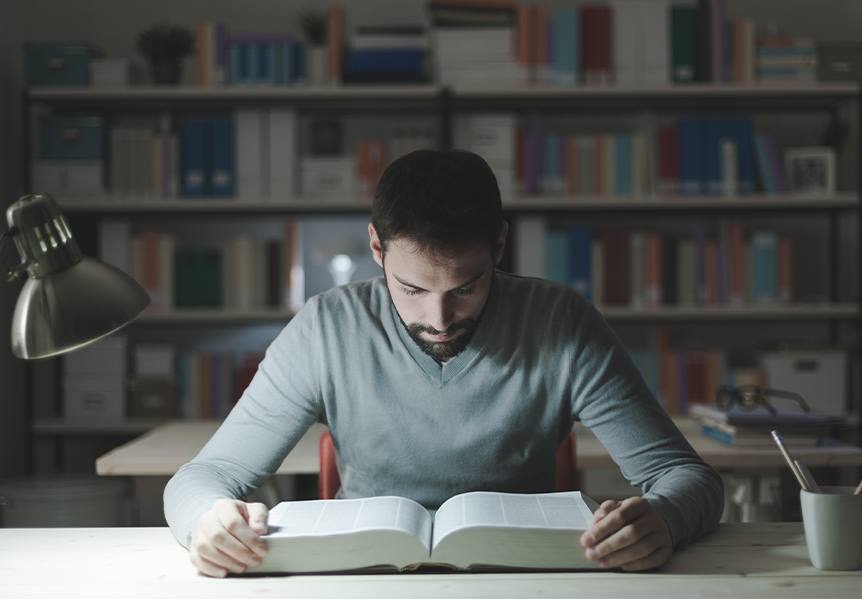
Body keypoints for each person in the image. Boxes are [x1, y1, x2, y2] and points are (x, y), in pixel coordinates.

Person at [164, 149, 724, 578]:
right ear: (377, 250)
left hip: (521, 577)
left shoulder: (560, 321)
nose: (439, 317)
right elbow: (203, 478)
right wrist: (207, 522)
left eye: (466, 287)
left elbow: (688, 478)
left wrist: (664, 519)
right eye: (410, 289)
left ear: (498, 245)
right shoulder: (325, 327)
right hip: (367, 578)